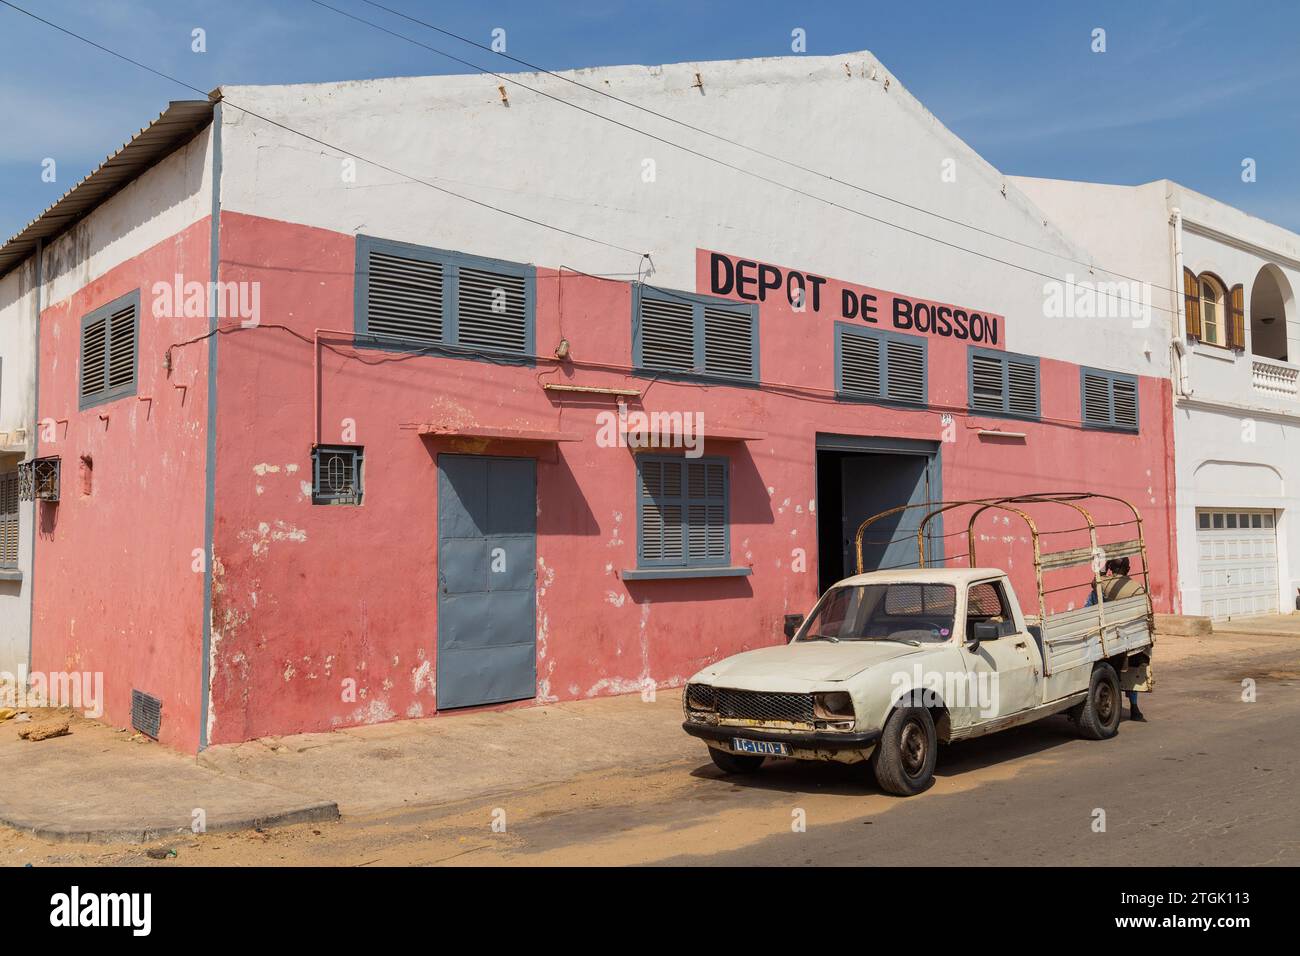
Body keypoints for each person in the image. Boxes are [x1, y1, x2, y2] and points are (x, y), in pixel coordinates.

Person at [1086, 557, 1149, 721]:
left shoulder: (1102, 585)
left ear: (1110, 569)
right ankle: (1134, 707)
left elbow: (1088, 607)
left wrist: (1102, 571)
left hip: (1106, 637)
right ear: (1128, 569)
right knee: (1132, 668)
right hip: (1130, 637)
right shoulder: (1137, 588)